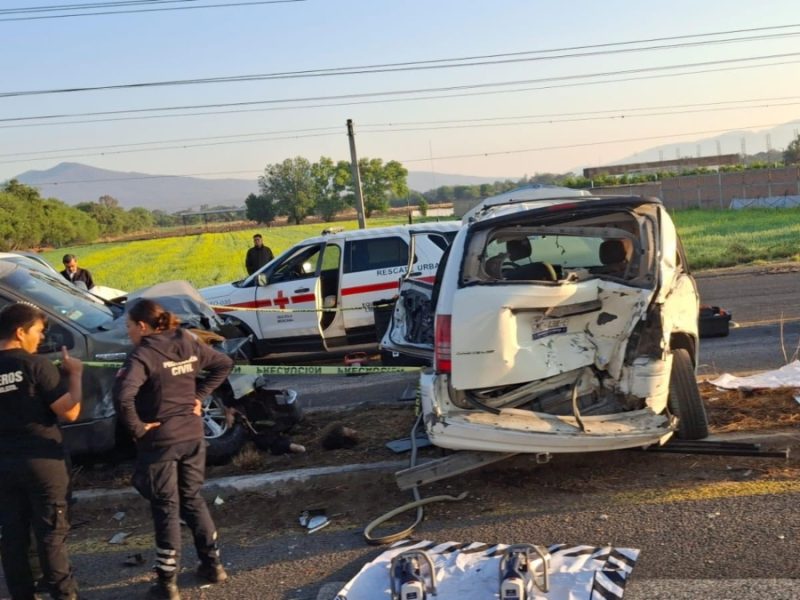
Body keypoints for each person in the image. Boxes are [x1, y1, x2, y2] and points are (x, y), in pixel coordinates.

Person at [113, 299, 233, 600]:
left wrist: (138, 429)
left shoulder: (143, 354)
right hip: (192, 436)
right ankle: (213, 565)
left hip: (160, 442)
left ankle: (167, 584)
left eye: (129, 327)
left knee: (166, 507)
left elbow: (123, 396)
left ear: (142, 326)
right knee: (192, 498)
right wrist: (199, 397)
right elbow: (223, 363)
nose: (128, 333)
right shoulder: (185, 340)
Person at [0, 303, 83, 600]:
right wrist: (74, 375)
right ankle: (64, 594)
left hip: (4, 466)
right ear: (20, 332)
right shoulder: (35, 365)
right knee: (51, 535)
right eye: (38, 331)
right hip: (43, 463)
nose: (40, 338)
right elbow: (70, 411)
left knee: (13, 538)